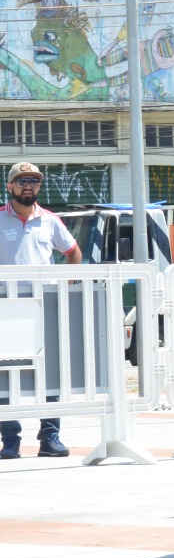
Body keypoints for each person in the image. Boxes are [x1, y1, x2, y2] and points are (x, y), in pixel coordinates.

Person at [0, 162, 82, 459]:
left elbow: (73, 253)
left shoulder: (49, 221)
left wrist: (65, 286)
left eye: (34, 181)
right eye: (22, 181)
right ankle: (10, 440)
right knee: (5, 374)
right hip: (6, 308)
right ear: (9, 186)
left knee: (51, 373)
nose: (28, 186)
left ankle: (50, 438)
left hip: (45, 306)